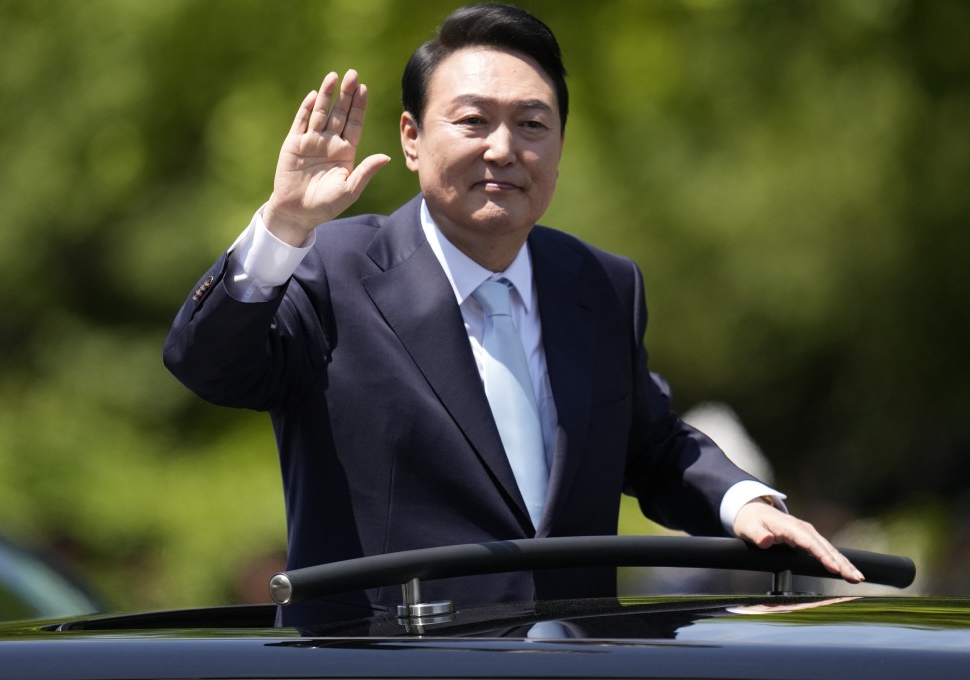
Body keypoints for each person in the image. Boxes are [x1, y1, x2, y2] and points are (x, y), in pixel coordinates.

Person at [164, 3, 862, 625]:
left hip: (580, 658)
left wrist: (747, 505)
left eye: (532, 124)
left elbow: (651, 446)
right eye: (473, 121)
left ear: (558, 145)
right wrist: (283, 226)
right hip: (388, 661)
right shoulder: (329, 267)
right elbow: (208, 365)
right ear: (411, 138)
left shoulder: (600, 282)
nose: (504, 149)